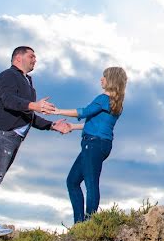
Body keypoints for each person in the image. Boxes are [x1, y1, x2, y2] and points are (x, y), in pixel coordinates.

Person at [0, 46, 71, 236]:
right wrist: (34, 105)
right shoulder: (7, 76)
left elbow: (28, 115)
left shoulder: (28, 83)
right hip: (1, 135)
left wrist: (52, 125)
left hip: (11, 138)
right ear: (18, 58)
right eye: (31, 56)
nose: (35, 60)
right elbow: (8, 100)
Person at [52, 66, 127, 223]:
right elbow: (96, 123)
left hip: (93, 144)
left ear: (111, 79)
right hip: (101, 144)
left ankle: (88, 225)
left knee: (91, 183)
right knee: (72, 181)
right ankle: (81, 224)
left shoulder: (103, 99)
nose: (101, 79)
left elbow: (84, 112)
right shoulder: (116, 103)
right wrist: (73, 126)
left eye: (104, 76)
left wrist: (57, 111)